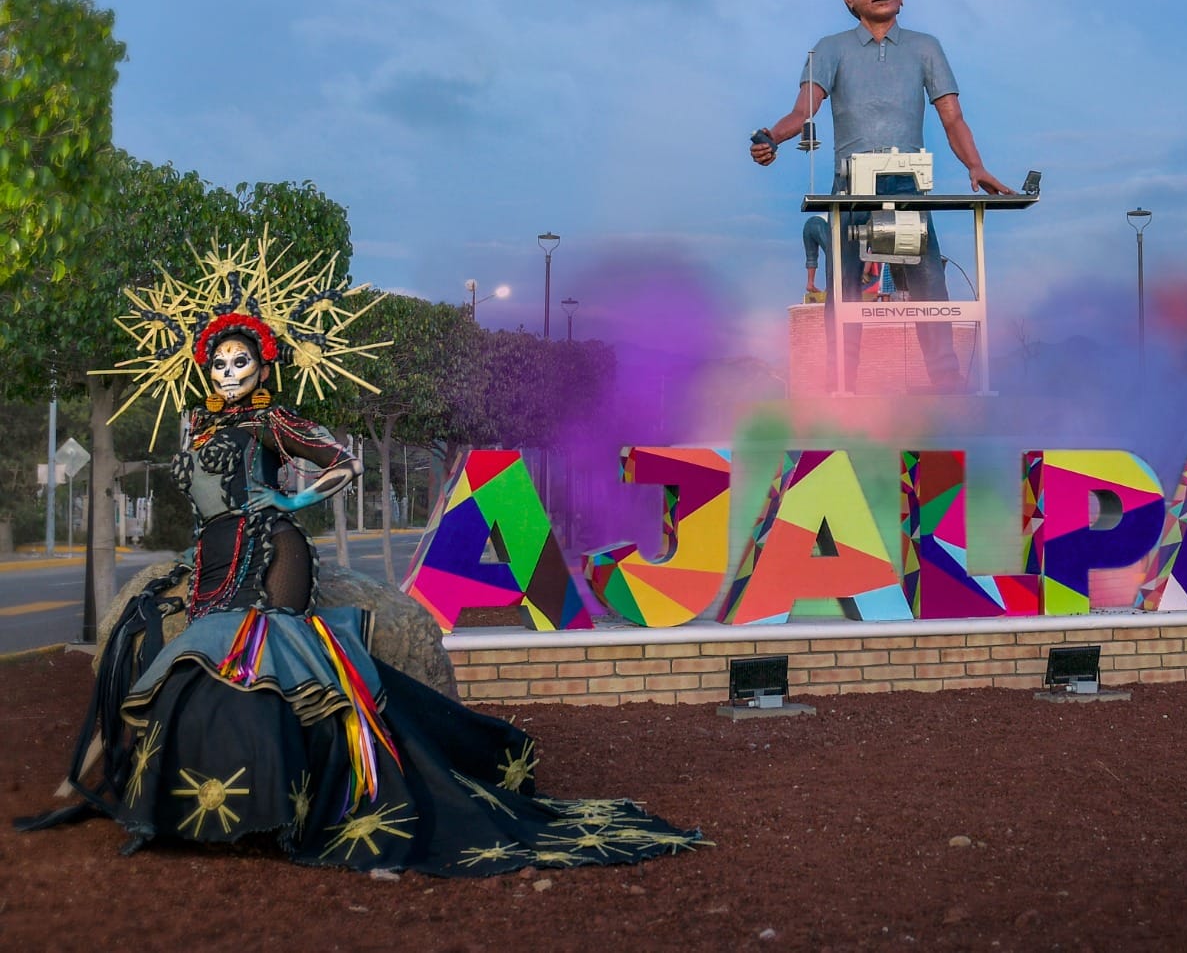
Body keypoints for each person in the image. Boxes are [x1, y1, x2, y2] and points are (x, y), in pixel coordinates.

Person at [22, 309, 704, 876]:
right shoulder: (198, 425)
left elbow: (344, 463)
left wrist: (290, 497)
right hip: (212, 560)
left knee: (272, 657)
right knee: (201, 666)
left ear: (262, 368)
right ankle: (213, 802)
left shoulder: (273, 421)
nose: (229, 373)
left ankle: (312, 798)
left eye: (241, 363)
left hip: (272, 551)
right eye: (220, 364)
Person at [752, 0, 1014, 392]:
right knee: (846, 291)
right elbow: (804, 110)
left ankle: (948, 392)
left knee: (928, 285)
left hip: (906, 185)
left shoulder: (924, 47)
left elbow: (952, 117)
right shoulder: (831, 49)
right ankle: (843, 390)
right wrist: (771, 137)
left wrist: (976, 165)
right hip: (851, 186)